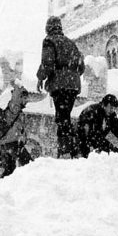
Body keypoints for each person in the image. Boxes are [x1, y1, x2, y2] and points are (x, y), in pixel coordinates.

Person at [36, 16, 85, 158]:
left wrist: (41, 77)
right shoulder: (71, 43)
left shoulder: (49, 41)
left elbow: (48, 63)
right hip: (73, 85)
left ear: (48, 28)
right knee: (65, 117)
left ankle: (65, 150)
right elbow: (81, 67)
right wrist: (72, 75)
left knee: (62, 118)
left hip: (60, 85)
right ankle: (73, 148)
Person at [76, 93, 118, 159]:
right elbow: (84, 133)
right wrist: (89, 147)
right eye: (111, 107)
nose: (113, 110)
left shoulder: (110, 113)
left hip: (102, 138)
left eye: (114, 108)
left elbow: (117, 128)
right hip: (87, 141)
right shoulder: (91, 112)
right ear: (104, 105)